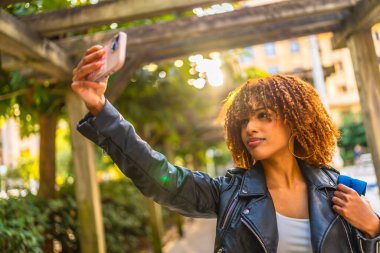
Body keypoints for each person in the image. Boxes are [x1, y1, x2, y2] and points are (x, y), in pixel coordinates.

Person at [72, 45, 380, 253]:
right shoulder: (229, 194)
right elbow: (159, 176)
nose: (250, 128)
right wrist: (101, 109)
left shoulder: (341, 194)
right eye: (244, 120)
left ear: (294, 122)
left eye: (263, 116)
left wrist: (374, 227)